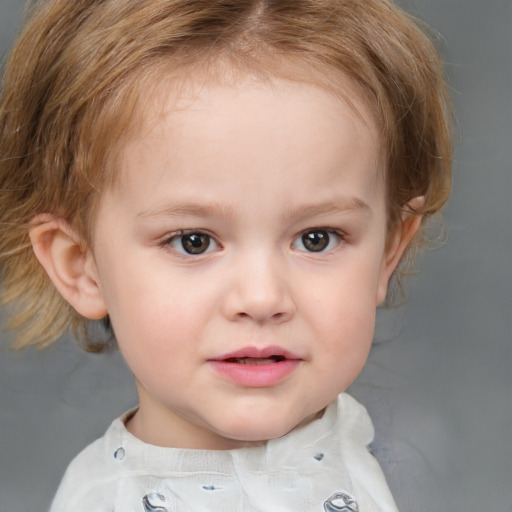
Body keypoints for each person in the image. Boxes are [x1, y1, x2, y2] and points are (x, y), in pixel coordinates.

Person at [0, 0, 452, 510]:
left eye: (317, 238)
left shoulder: (349, 452)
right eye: (193, 241)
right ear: (80, 265)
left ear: (389, 249)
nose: (261, 298)